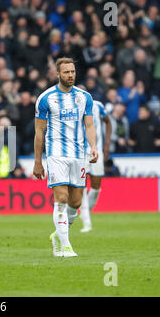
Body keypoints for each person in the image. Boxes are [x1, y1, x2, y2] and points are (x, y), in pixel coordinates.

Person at [33, 57, 98, 257]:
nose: (71, 75)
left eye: (73, 71)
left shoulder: (84, 97)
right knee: (61, 198)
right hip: (56, 155)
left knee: (76, 202)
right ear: (58, 74)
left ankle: (58, 236)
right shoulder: (46, 98)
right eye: (66, 72)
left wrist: (93, 147)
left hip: (79, 155)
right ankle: (66, 246)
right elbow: (39, 132)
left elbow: (89, 125)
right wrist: (38, 162)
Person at [79, 100, 112, 233]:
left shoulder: (98, 105)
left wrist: (107, 144)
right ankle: (87, 222)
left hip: (96, 150)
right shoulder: (71, 106)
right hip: (80, 153)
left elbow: (108, 122)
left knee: (96, 187)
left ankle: (85, 211)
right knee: (81, 185)